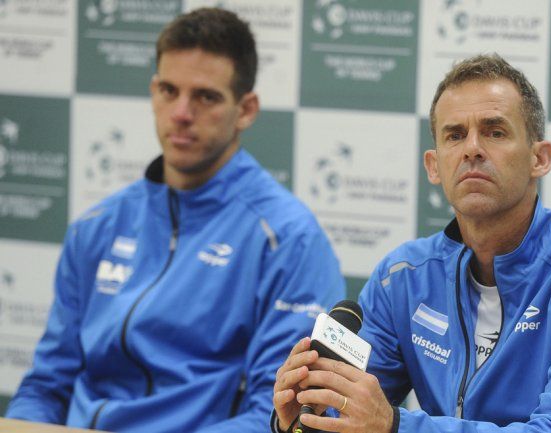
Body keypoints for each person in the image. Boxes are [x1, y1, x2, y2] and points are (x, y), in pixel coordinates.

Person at [272, 54, 551, 433]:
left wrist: (397, 426)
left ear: (541, 159)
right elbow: (353, 410)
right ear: (434, 166)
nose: (472, 149)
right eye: (455, 135)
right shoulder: (404, 278)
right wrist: (302, 418)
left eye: (495, 132)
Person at [5, 8, 344, 433]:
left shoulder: (289, 239)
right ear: (153, 92)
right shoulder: (97, 225)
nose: (181, 113)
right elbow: (46, 387)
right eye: (169, 90)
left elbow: (276, 417)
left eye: (205, 96)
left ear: (246, 109)